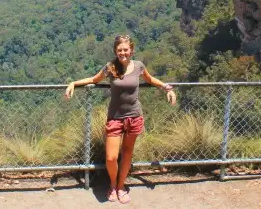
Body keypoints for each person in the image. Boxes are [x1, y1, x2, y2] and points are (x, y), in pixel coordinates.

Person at [64, 34, 177, 204]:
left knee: (127, 153)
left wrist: (167, 87)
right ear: (115, 51)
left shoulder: (139, 66)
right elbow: (94, 79)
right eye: (119, 50)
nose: (122, 53)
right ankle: (113, 184)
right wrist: (73, 83)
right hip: (115, 118)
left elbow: (150, 79)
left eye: (125, 49)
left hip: (134, 116)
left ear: (131, 50)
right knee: (111, 157)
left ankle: (120, 187)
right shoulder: (110, 67)